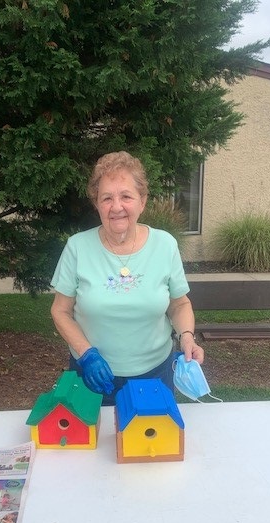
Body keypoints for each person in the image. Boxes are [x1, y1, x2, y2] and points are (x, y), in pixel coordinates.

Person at [50, 151, 204, 405]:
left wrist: (187, 337)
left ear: (142, 201)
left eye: (126, 196)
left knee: (149, 442)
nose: (117, 206)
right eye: (107, 198)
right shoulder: (77, 247)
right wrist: (86, 354)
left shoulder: (165, 244)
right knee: (91, 442)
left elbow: (180, 304)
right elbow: (60, 311)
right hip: (92, 377)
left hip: (155, 375)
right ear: (97, 204)